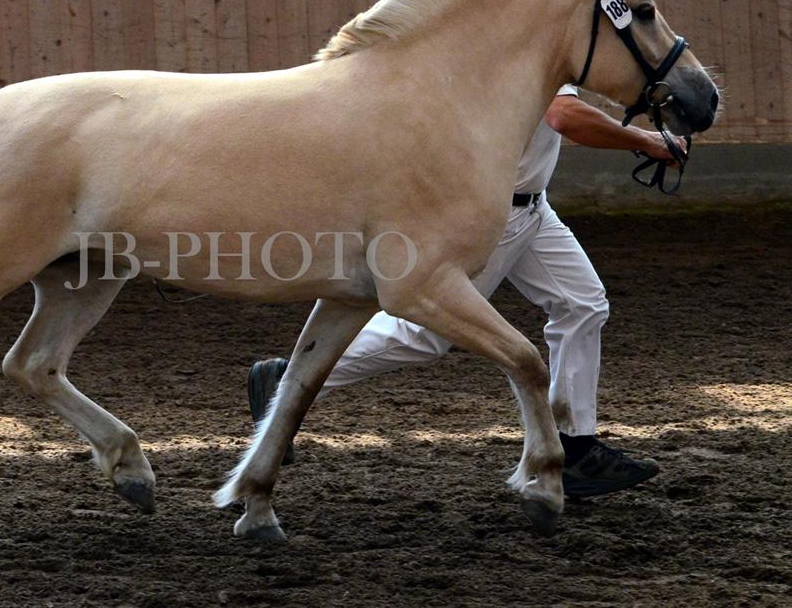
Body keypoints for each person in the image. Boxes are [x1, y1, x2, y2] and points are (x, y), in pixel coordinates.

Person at [248, 85, 685, 497]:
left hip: (533, 206)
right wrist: (645, 141)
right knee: (426, 333)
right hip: (497, 214)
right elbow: (564, 116)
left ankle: (574, 446)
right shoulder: (536, 33)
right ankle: (290, 380)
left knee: (582, 304)